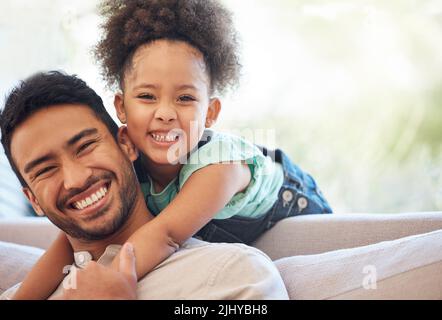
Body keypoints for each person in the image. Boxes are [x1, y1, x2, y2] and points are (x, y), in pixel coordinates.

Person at [9, 0, 332, 300]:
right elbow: (65, 245)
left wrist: (108, 280)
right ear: (121, 106)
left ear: (210, 113)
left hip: (293, 206)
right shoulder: (125, 165)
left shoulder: (218, 166)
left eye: (185, 98)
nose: (165, 113)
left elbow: (166, 235)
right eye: (148, 97)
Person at [0, 71, 288, 299]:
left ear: (126, 144)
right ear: (33, 200)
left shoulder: (234, 274)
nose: (76, 180)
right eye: (46, 170)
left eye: (86, 146)